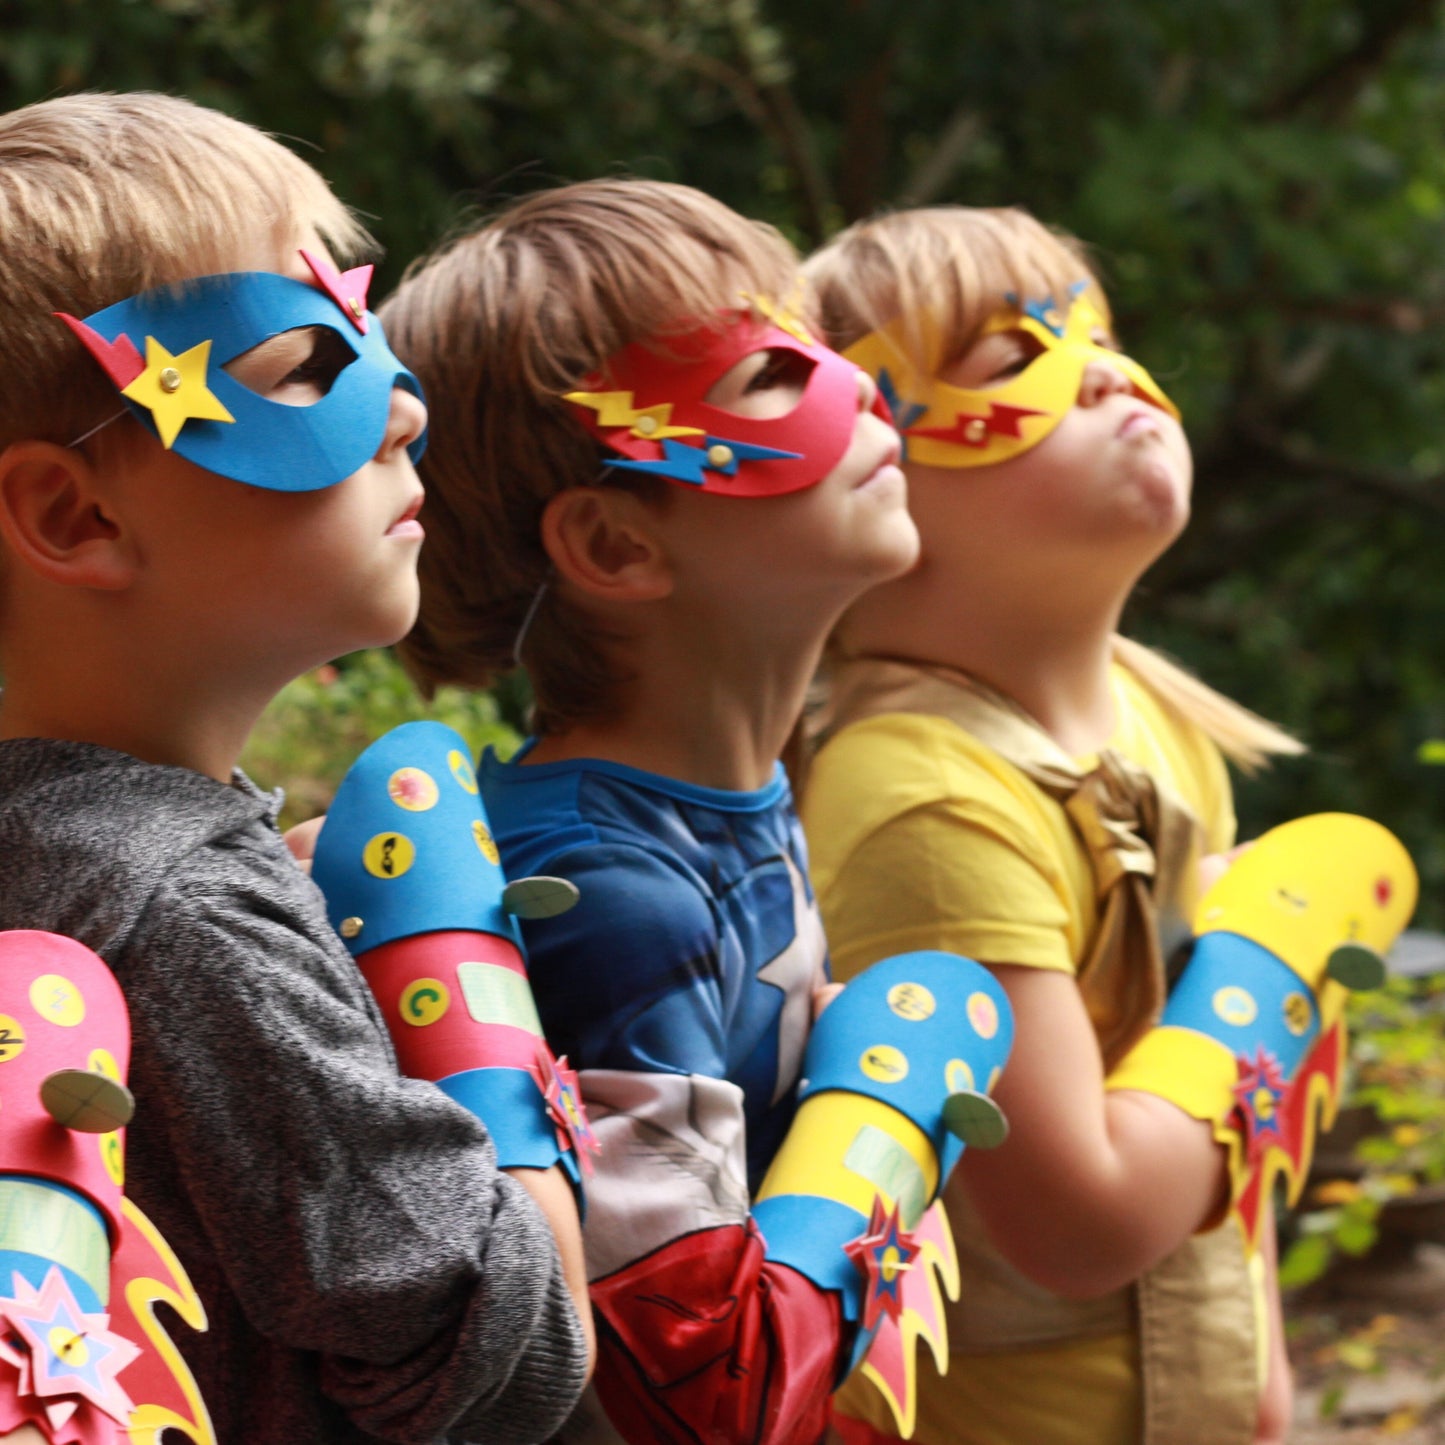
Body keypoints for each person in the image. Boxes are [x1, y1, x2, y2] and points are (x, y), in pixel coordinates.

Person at [0, 92, 591, 1444]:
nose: (405, 408)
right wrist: (461, 992)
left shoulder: (59, 856)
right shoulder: (195, 922)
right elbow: (511, 1351)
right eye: (308, 367)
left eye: (373, 328)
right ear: (76, 513)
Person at [378, 179, 970, 1444]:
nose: (854, 383)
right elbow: (698, 1391)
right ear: (614, 544)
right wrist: (898, 1098)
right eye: (768, 374)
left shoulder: (719, 807)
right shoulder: (607, 891)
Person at [797, 206, 1303, 1445]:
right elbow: (1083, 1217)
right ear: (877, 466)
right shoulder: (920, 796)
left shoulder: (1151, 719)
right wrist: (1270, 974)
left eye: (1099, 331)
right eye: (1007, 357)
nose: (1103, 369)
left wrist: (1261, 1355)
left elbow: (1210, 1147)